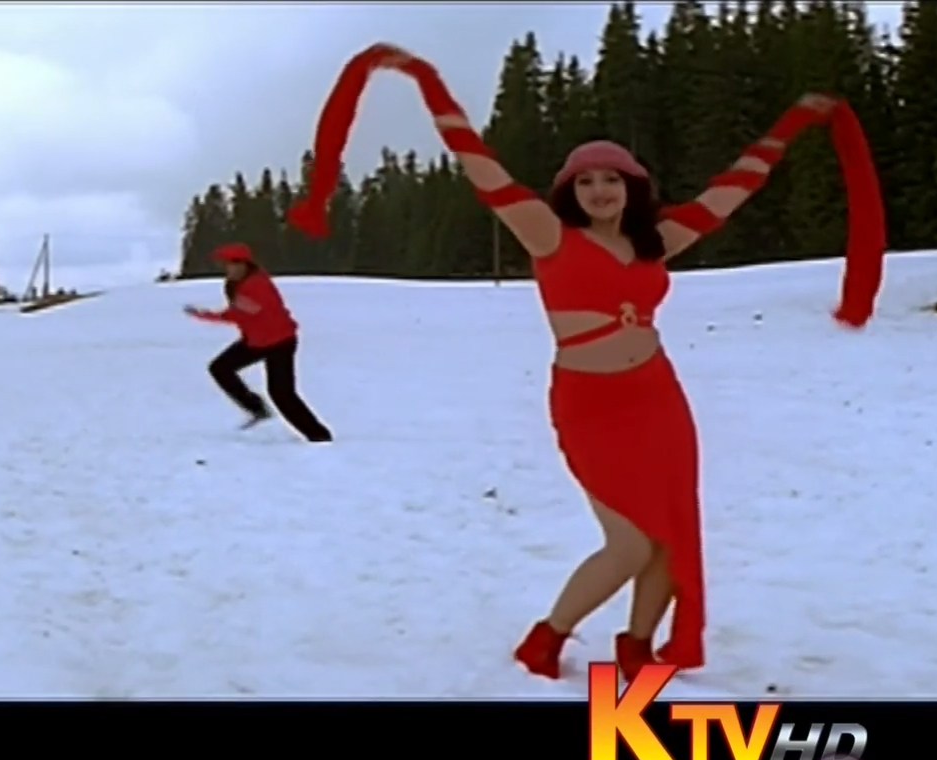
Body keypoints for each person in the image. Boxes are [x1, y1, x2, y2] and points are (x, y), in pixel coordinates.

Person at [286, 44, 884, 681]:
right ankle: (545, 638)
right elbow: (479, 163)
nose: (600, 190)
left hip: (658, 398)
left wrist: (793, 123)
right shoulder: (548, 233)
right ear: (570, 191)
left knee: (672, 536)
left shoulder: (655, 240)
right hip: (591, 406)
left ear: (633, 187)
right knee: (629, 543)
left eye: (612, 179)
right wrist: (424, 80)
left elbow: (733, 189)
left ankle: (638, 644)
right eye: (586, 180)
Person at [185, 242, 335, 443]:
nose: (227, 269)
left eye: (231, 264)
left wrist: (207, 315)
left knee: (281, 394)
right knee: (220, 368)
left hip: (279, 342)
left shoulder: (256, 286)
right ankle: (256, 408)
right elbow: (241, 313)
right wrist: (210, 315)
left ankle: (319, 436)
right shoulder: (235, 284)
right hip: (256, 341)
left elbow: (242, 313)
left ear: (244, 265)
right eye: (226, 264)